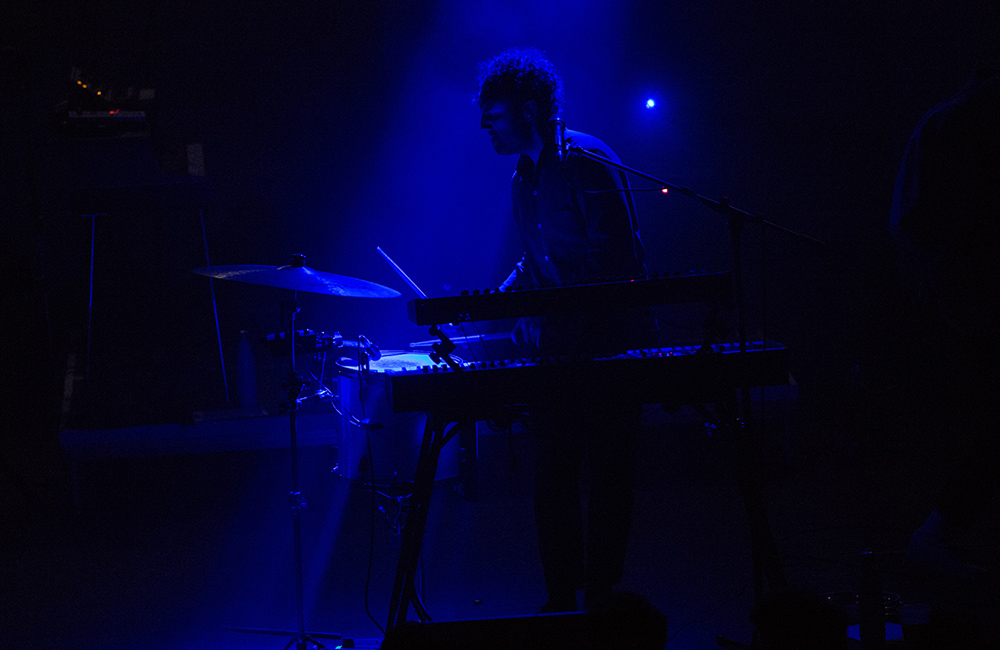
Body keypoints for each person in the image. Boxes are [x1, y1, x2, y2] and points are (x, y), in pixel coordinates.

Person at [474, 47, 654, 613]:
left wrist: (545, 313)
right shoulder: (521, 179)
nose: (485, 128)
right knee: (552, 472)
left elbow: (612, 261)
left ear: (529, 110)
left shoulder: (585, 161)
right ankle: (560, 598)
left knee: (608, 475)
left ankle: (600, 597)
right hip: (563, 351)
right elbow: (538, 263)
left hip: (611, 346)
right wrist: (491, 303)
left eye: (494, 117)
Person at [891, 63, 999, 583]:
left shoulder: (953, 123)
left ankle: (942, 534)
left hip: (963, 298)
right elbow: (924, 222)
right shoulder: (952, 126)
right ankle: (938, 534)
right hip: (966, 300)